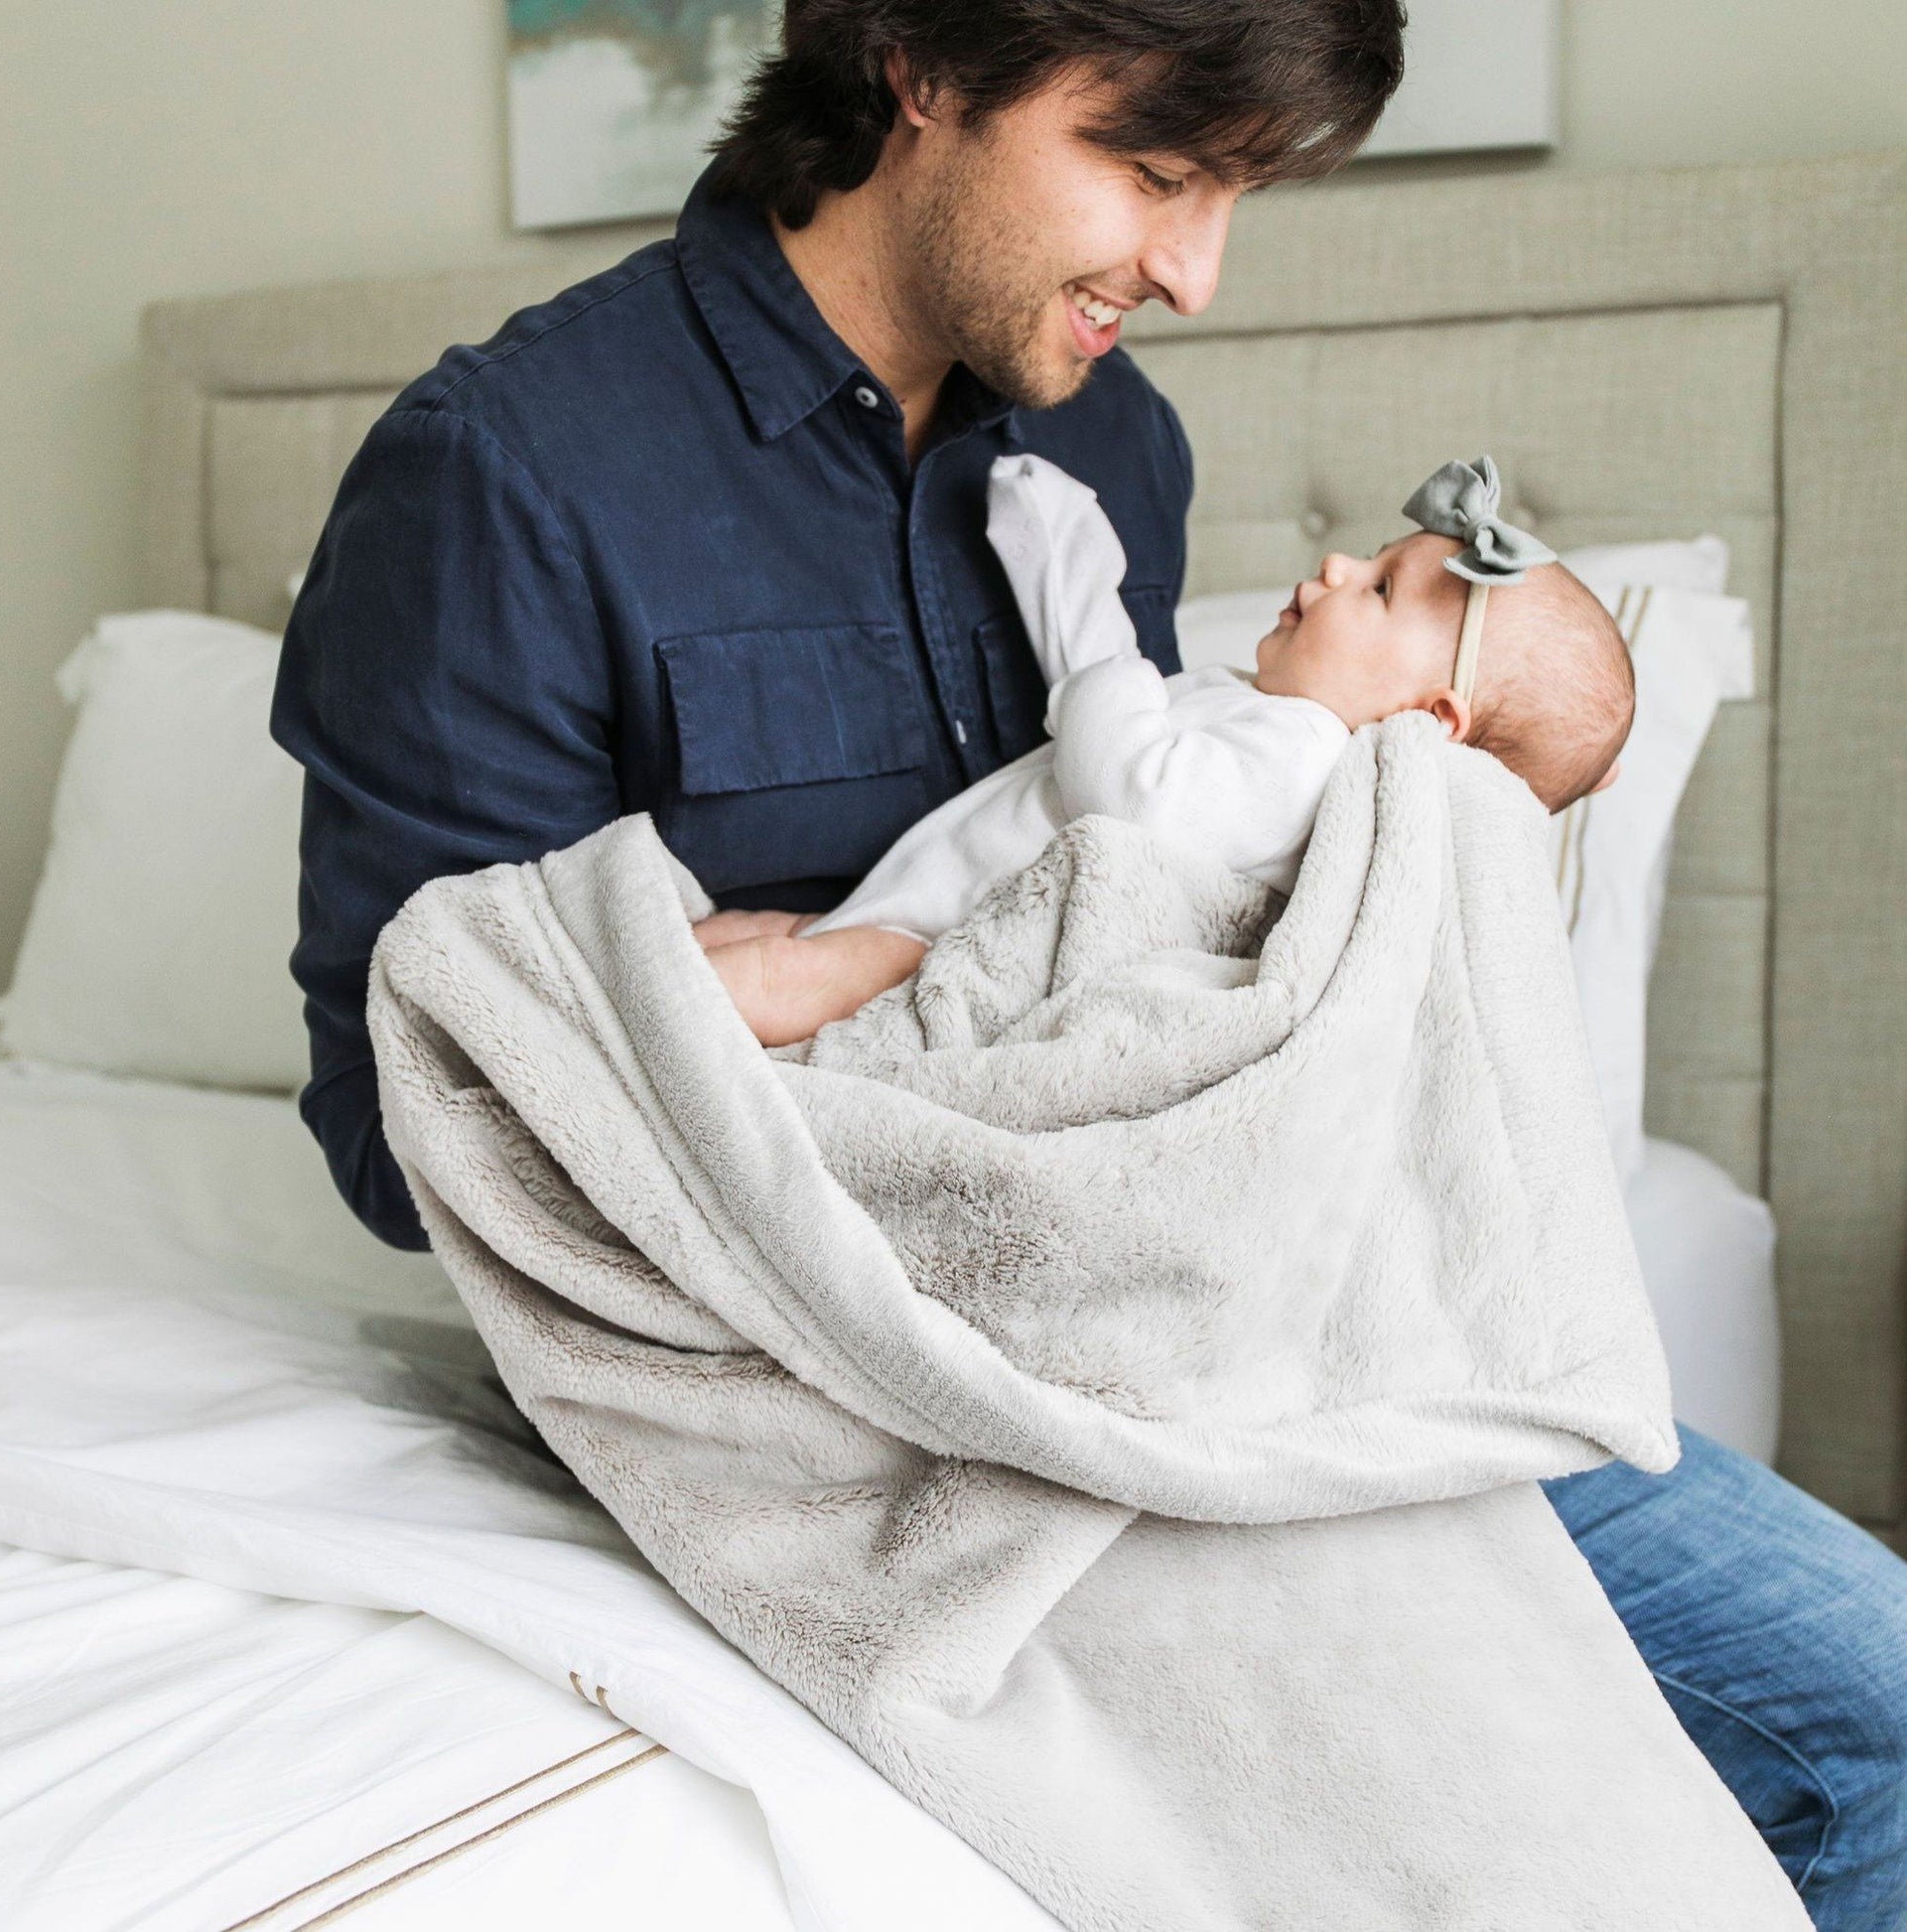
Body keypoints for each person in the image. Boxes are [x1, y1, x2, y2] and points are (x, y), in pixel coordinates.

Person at [270, 3, 1907, 1918]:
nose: (1197, 274)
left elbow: (1164, 902)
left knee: (1877, 1707)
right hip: (850, 1377)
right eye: (1152, 175)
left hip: (1242, 1299)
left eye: (1237, 196)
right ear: (921, 67)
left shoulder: (1111, 438)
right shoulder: (504, 472)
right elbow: (410, 1135)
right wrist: (668, 1003)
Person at [698, 450, 1633, 1045]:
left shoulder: (1303, 761)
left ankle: (601, 1047)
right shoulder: (1273, 717)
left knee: (770, 978)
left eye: (1380, 589)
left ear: (1429, 721)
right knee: (748, 943)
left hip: (944, 948)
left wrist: (1102, 660)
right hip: (926, 902)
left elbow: (1137, 800)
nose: (1339, 568)